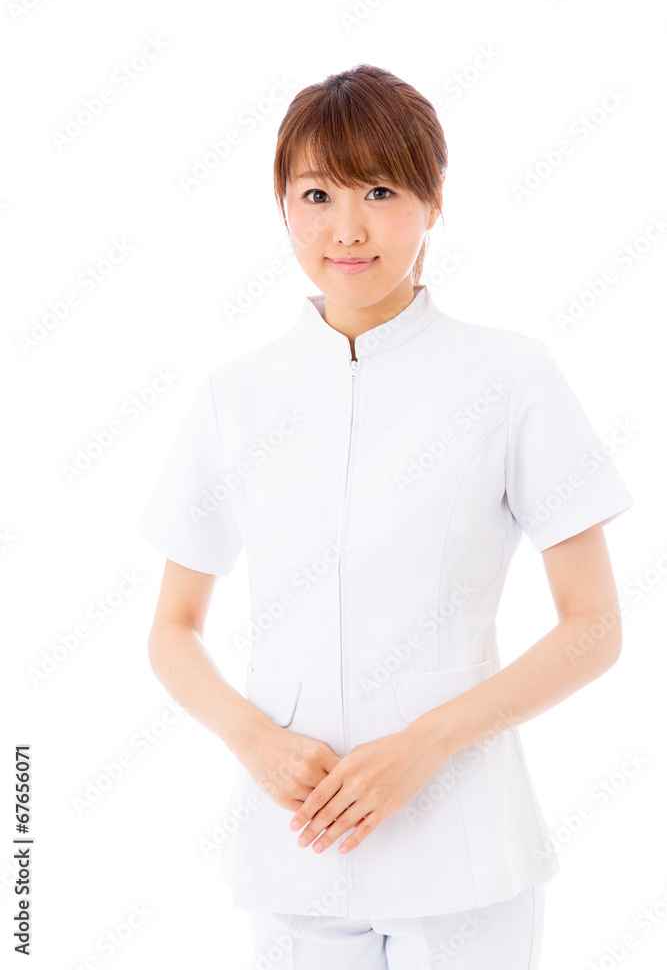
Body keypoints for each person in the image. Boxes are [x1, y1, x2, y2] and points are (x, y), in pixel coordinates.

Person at [137, 64, 635, 969]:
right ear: (282, 204)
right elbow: (172, 629)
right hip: (294, 853)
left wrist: (423, 745)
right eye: (316, 193)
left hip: (465, 855)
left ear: (433, 200)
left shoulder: (510, 379)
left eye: (380, 189)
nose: (347, 227)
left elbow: (594, 628)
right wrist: (255, 740)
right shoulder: (233, 397)